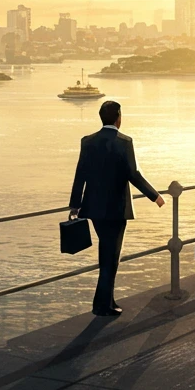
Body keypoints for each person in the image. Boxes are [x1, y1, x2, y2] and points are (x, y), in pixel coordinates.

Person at [68, 100, 165, 317]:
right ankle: (102, 305)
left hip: (93, 207)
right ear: (118, 116)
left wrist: (75, 205)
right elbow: (133, 174)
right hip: (116, 209)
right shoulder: (124, 142)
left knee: (107, 253)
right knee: (111, 255)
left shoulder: (88, 141)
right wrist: (154, 195)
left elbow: (80, 174)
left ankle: (106, 301)